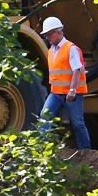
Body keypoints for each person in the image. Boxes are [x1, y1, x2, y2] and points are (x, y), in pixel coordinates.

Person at [38, 16, 91, 150]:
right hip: (56, 94)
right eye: (46, 35)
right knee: (44, 119)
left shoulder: (70, 48)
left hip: (71, 95)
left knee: (78, 124)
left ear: (58, 32)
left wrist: (72, 90)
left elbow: (77, 70)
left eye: (49, 34)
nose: (48, 38)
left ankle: (86, 152)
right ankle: (42, 150)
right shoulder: (51, 51)